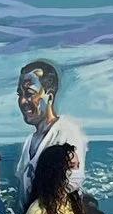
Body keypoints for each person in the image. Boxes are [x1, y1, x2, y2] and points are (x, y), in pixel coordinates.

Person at [15, 59, 87, 195]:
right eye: (20, 94)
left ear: (50, 97)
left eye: (29, 93)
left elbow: (72, 183)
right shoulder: (30, 141)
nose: (22, 101)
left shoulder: (67, 133)